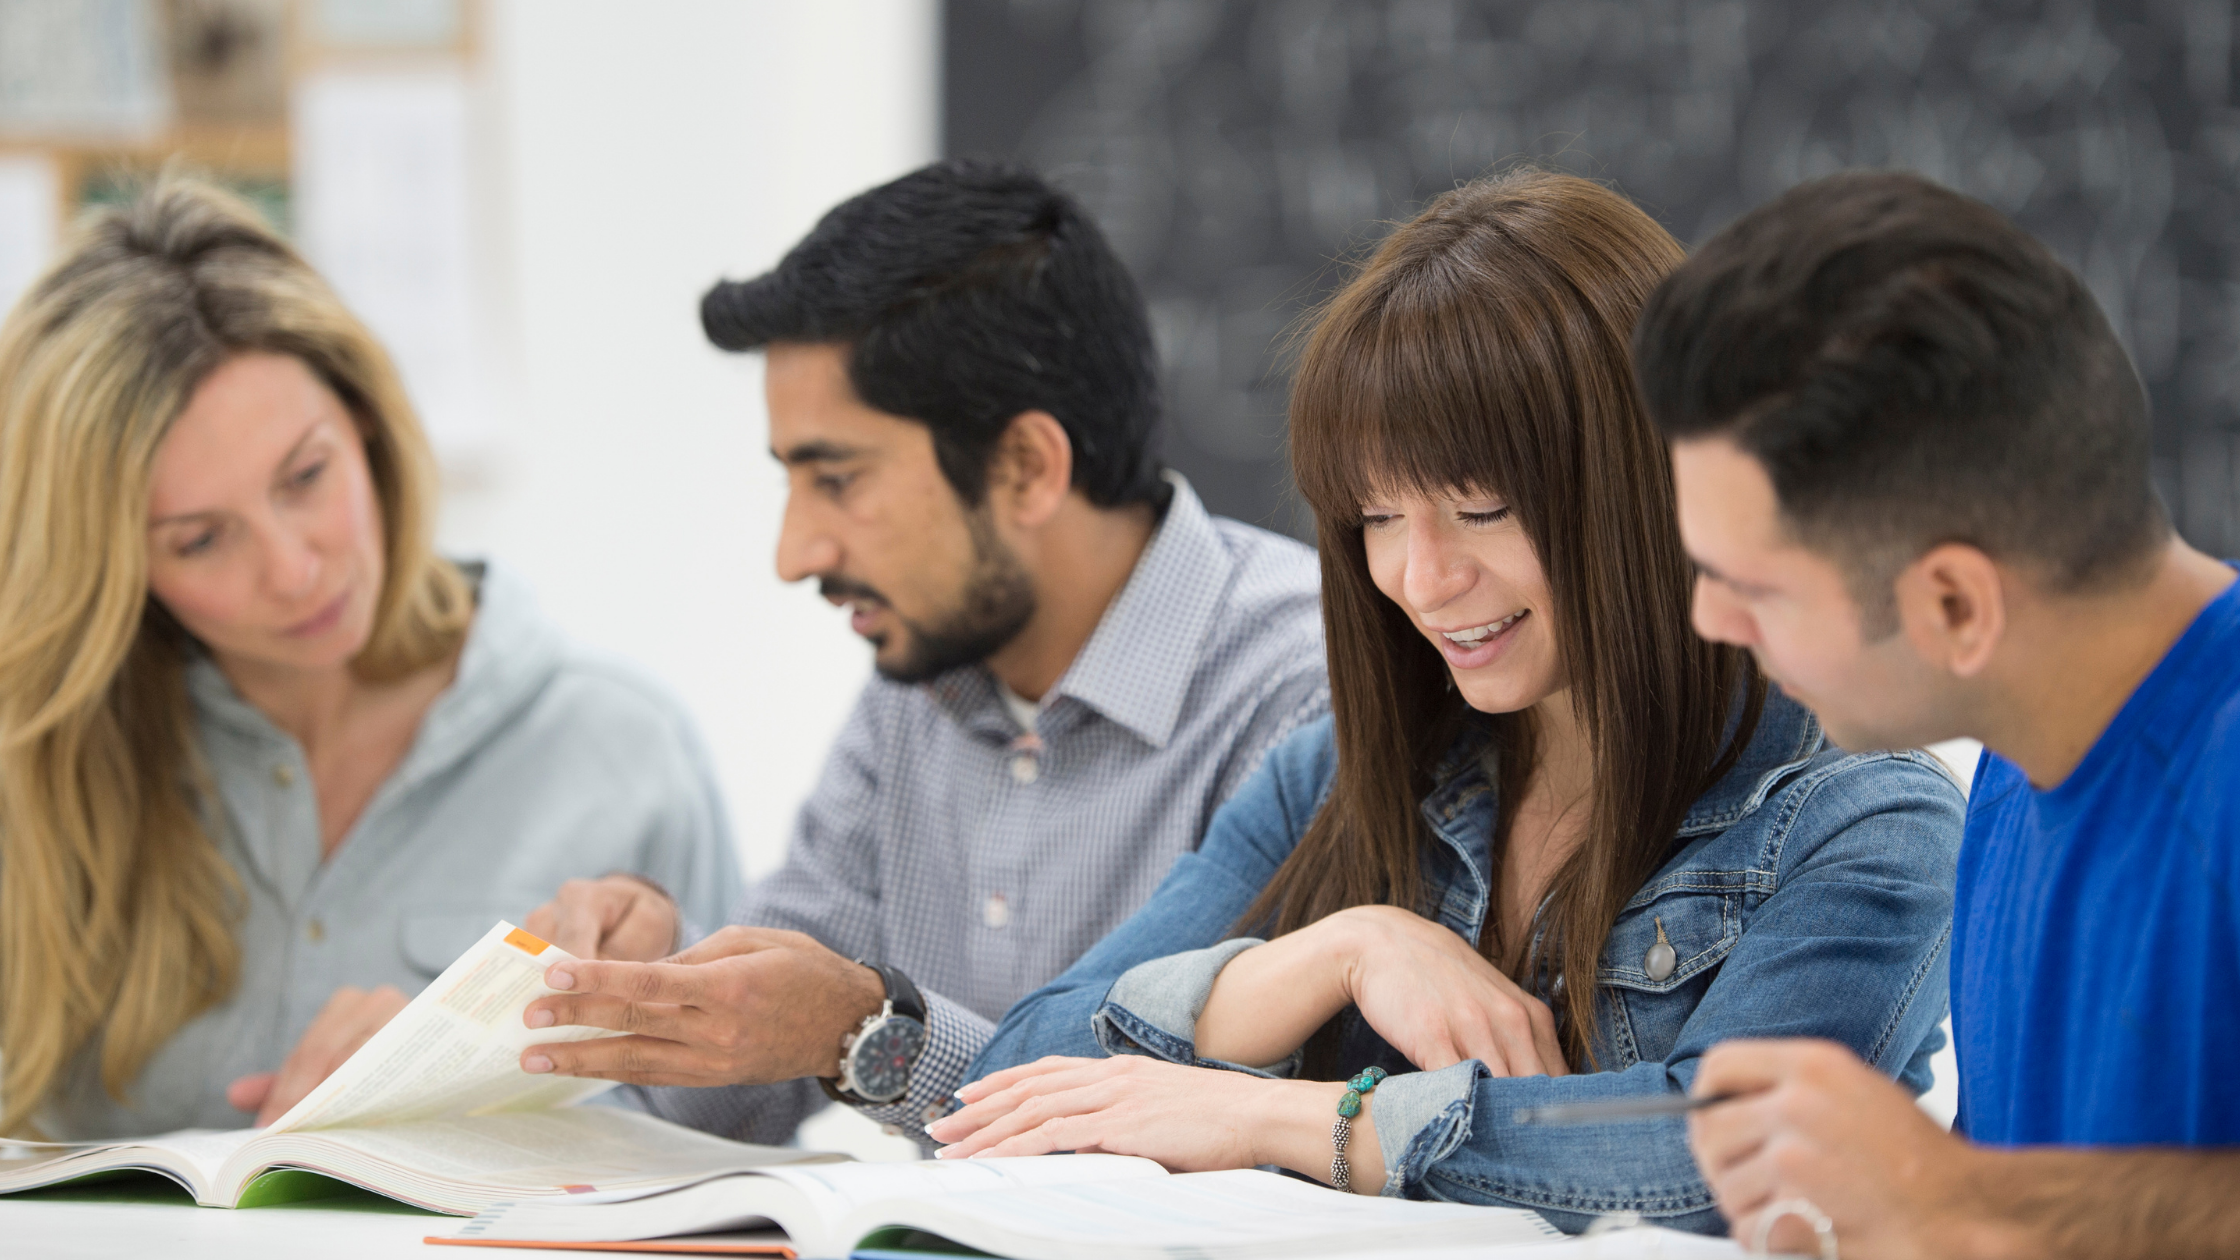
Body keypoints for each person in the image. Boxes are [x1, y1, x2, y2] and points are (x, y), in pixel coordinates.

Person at [922, 170, 1963, 1234]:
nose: (1420, 580)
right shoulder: (1329, 775)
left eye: (1478, 508)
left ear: (1644, 484)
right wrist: (1347, 948)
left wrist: (1289, 1119)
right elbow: (1018, 1077)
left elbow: (1718, 1156)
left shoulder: (1858, 819)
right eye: (1375, 516)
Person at [511, 160, 1328, 1148]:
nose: (794, 554)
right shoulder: (926, 683)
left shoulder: (1303, 693)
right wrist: (648, 986)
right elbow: (738, 1087)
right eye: (791, 483)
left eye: (838, 480)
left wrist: (866, 1030)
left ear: (1025, 468)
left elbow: (1220, 1118)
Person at [0, 177, 741, 1140]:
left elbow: (746, 1157)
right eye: (199, 540)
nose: (293, 568)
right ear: (118, 570)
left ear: (368, 426)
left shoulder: (623, 752)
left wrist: (461, 1098)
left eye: (306, 477)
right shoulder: (42, 765)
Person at [1634, 170, 2240, 1258]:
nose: (1704, 618)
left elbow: (1985, 1203)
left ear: (1953, 603)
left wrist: (1962, 1198)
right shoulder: (2017, 760)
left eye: (1753, 586)